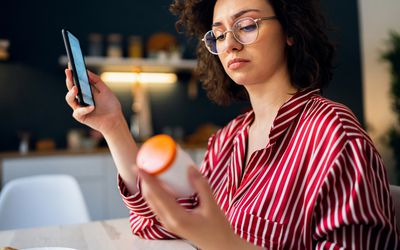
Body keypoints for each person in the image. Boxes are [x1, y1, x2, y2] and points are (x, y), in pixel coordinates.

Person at [65, 0, 399, 248]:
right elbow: (159, 223)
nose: (230, 44)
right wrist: (113, 125)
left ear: (291, 32)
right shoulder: (227, 140)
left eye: (247, 25)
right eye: (219, 34)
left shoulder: (334, 134)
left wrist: (225, 243)